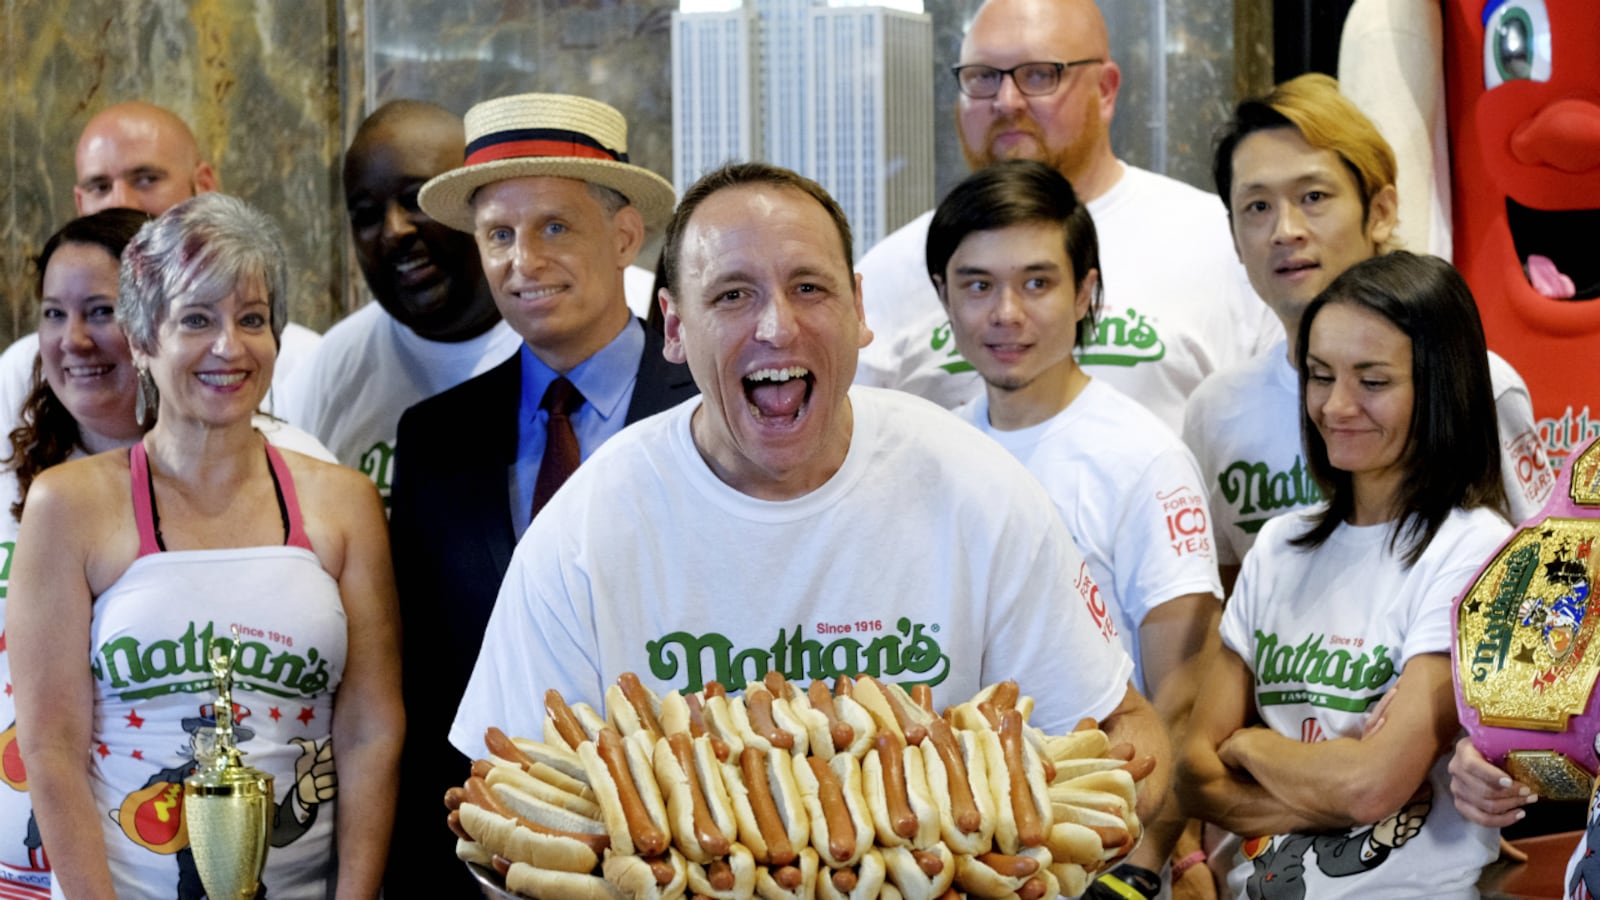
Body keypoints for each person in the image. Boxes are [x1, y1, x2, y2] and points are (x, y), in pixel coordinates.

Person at [451, 160, 1170, 824]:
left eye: (809, 288)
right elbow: (509, 791)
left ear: (859, 309)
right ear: (673, 326)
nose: (776, 327)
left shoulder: (977, 487)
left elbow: (1118, 730)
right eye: (733, 295)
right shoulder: (587, 524)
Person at [8, 194, 402, 899]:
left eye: (252, 319)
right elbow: (51, 747)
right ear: (141, 339)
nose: (229, 346)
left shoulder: (344, 504)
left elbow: (371, 729)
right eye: (196, 320)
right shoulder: (66, 506)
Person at [386, 92, 697, 890]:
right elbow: (421, 685)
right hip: (485, 860)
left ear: (625, 234)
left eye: (554, 226)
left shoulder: (709, 411)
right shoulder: (433, 440)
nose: (522, 261)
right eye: (499, 235)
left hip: (683, 852)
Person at [1179, 251, 1513, 898]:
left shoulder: (1473, 550)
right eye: (1320, 375)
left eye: (1373, 381)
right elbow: (1193, 772)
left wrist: (1249, 747)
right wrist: (1339, 784)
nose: (1336, 406)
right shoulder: (1277, 546)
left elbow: (1374, 784)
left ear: (1442, 385)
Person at [930, 159, 1220, 898]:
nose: (1006, 313)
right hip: (963, 844)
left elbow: (1183, 699)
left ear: (1086, 291)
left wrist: (1139, 868)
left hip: (1102, 850)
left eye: (1037, 282)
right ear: (943, 296)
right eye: (977, 285)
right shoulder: (933, 456)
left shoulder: (1144, 459)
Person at [1182, 73, 1551, 595]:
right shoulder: (1213, 412)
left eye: (1312, 196)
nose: (1285, 229)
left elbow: (1548, 570)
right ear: (1235, 239)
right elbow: (1227, 605)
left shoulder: (1476, 381)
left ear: (1380, 212)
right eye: (1257, 207)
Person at [853, 0, 1278, 429]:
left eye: (1039, 74)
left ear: (1106, 90)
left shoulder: (1221, 243)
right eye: (983, 78)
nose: (1006, 101)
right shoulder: (892, 272)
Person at [0, 101, 322, 427]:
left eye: (146, 179)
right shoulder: (22, 372)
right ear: (80, 203)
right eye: (99, 187)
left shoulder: (299, 361)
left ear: (204, 188)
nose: (120, 202)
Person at [277, 100, 521, 504]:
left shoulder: (569, 329)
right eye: (367, 215)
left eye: (415, 200)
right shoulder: (333, 368)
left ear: (481, 202)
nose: (394, 231)